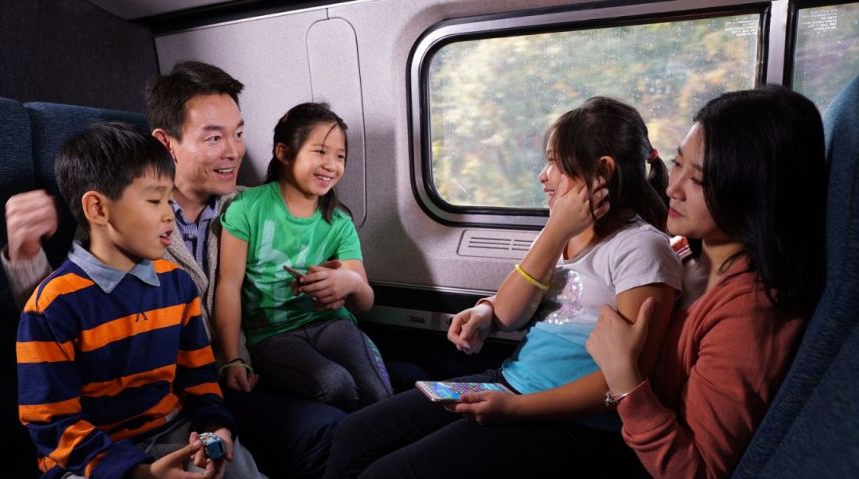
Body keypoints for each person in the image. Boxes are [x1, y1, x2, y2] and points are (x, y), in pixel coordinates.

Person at [2, 61, 344, 478]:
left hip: (228, 377)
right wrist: (25, 257)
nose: (234, 151)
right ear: (167, 144)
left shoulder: (253, 208)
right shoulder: (120, 221)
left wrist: (338, 278)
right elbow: (78, 303)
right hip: (148, 405)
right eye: (214, 137)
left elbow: (304, 237)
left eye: (238, 133)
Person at [325, 97, 683, 477]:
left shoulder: (642, 248)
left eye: (555, 164)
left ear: (602, 171)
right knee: (353, 435)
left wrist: (514, 409)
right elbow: (510, 314)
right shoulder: (561, 234)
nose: (543, 176)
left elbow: (626, 385)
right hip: (509, 382)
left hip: (573, 422)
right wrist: (488, 307)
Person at [585, 86, 827, 477]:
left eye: (698, 181)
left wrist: (624, 377)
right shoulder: (682, 252)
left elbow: (699, 472)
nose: (671, 188)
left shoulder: (751, 312)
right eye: (678, 164)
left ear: (752, 192)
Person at [16, 122, 263, 479]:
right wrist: (139, 473)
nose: (168, 215)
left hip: (172, 431)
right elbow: (52, 425)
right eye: (154, 200)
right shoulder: (52, 306)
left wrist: (216, 428)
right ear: (98, 210)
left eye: (169, 199)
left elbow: (199, 378)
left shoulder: (177, 284)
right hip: (89, 457)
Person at [215, 102, 393, 412]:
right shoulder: (247, 208)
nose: (331, 165)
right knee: (335, 384)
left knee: (378, 392)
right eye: (320, 152)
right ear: (283, 153)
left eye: (340, 157)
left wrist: (348, 281)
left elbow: (365, 301)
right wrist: (232, 358)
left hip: (332, 324)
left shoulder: (339, 223)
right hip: (272, 335)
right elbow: (228, 285)